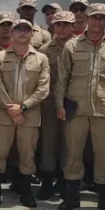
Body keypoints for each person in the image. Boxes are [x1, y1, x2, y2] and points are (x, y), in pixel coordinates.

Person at [55, 3, 105, 210]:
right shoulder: (72, 45)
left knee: (103, 154)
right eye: (94, 17)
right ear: (87, 19)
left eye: (102, 18)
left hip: (103, 109)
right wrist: (59, 105)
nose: (98, 21)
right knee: (73, 153)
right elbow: (62, 78)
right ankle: (71, 198)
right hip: (76, 107)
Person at [0, 19, 50, 208]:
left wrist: (22, 107)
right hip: (3, 113)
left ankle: (26, 193)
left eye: (26, 29)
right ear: (12, 34)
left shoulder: (41, 59)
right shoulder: (0, 56)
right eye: (18, 29)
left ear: (32, 34)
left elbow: (43, 88)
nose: (22, 32)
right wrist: (11, 109)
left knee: (27, 154)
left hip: (29, 115)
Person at [36, 11, 75, 200]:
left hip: (73, 103)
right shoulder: (44, 50)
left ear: (73, 27)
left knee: (69, 144)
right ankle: (47, 182)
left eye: (66, 25)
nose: (61, 28)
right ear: (52, 26)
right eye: (58, 24)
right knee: (48, 144)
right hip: (49, 103)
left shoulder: (79, 47)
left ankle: (65, 181)